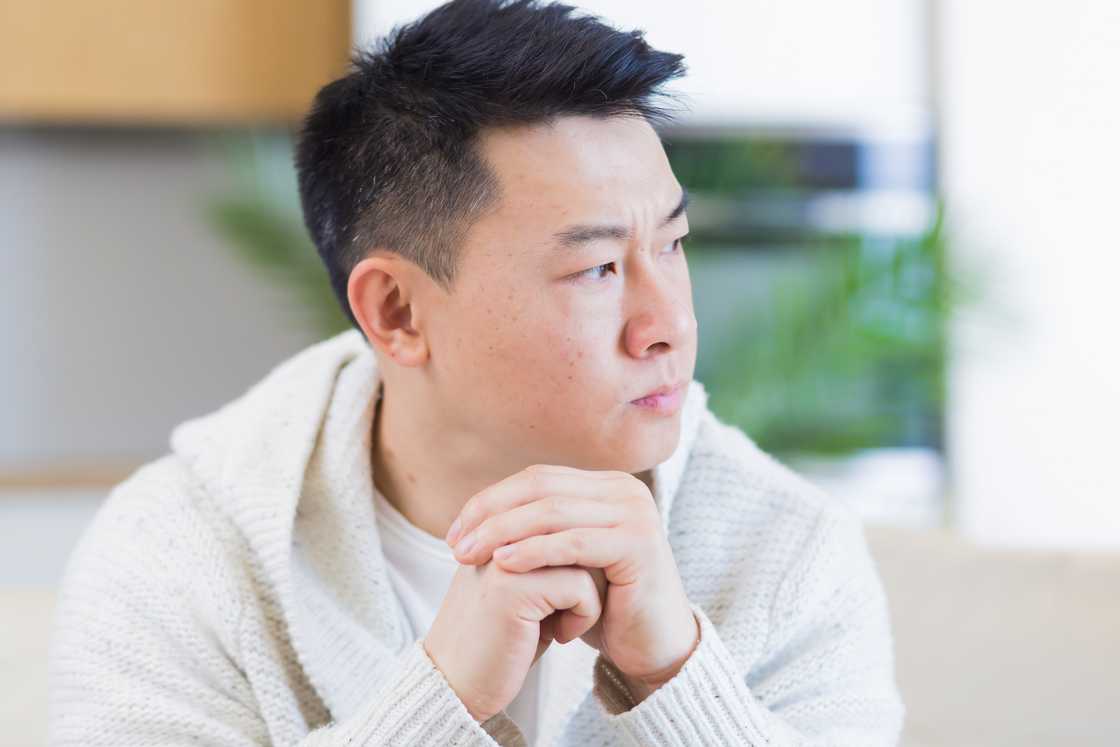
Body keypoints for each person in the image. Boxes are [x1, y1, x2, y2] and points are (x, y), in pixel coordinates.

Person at [45, 0, 905, 744]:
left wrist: (675, 671)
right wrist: (440, 700)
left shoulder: (786, 550)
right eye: (598, 269)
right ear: (397, 312)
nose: (670, 324)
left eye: (672, 245)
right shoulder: (181, 554)